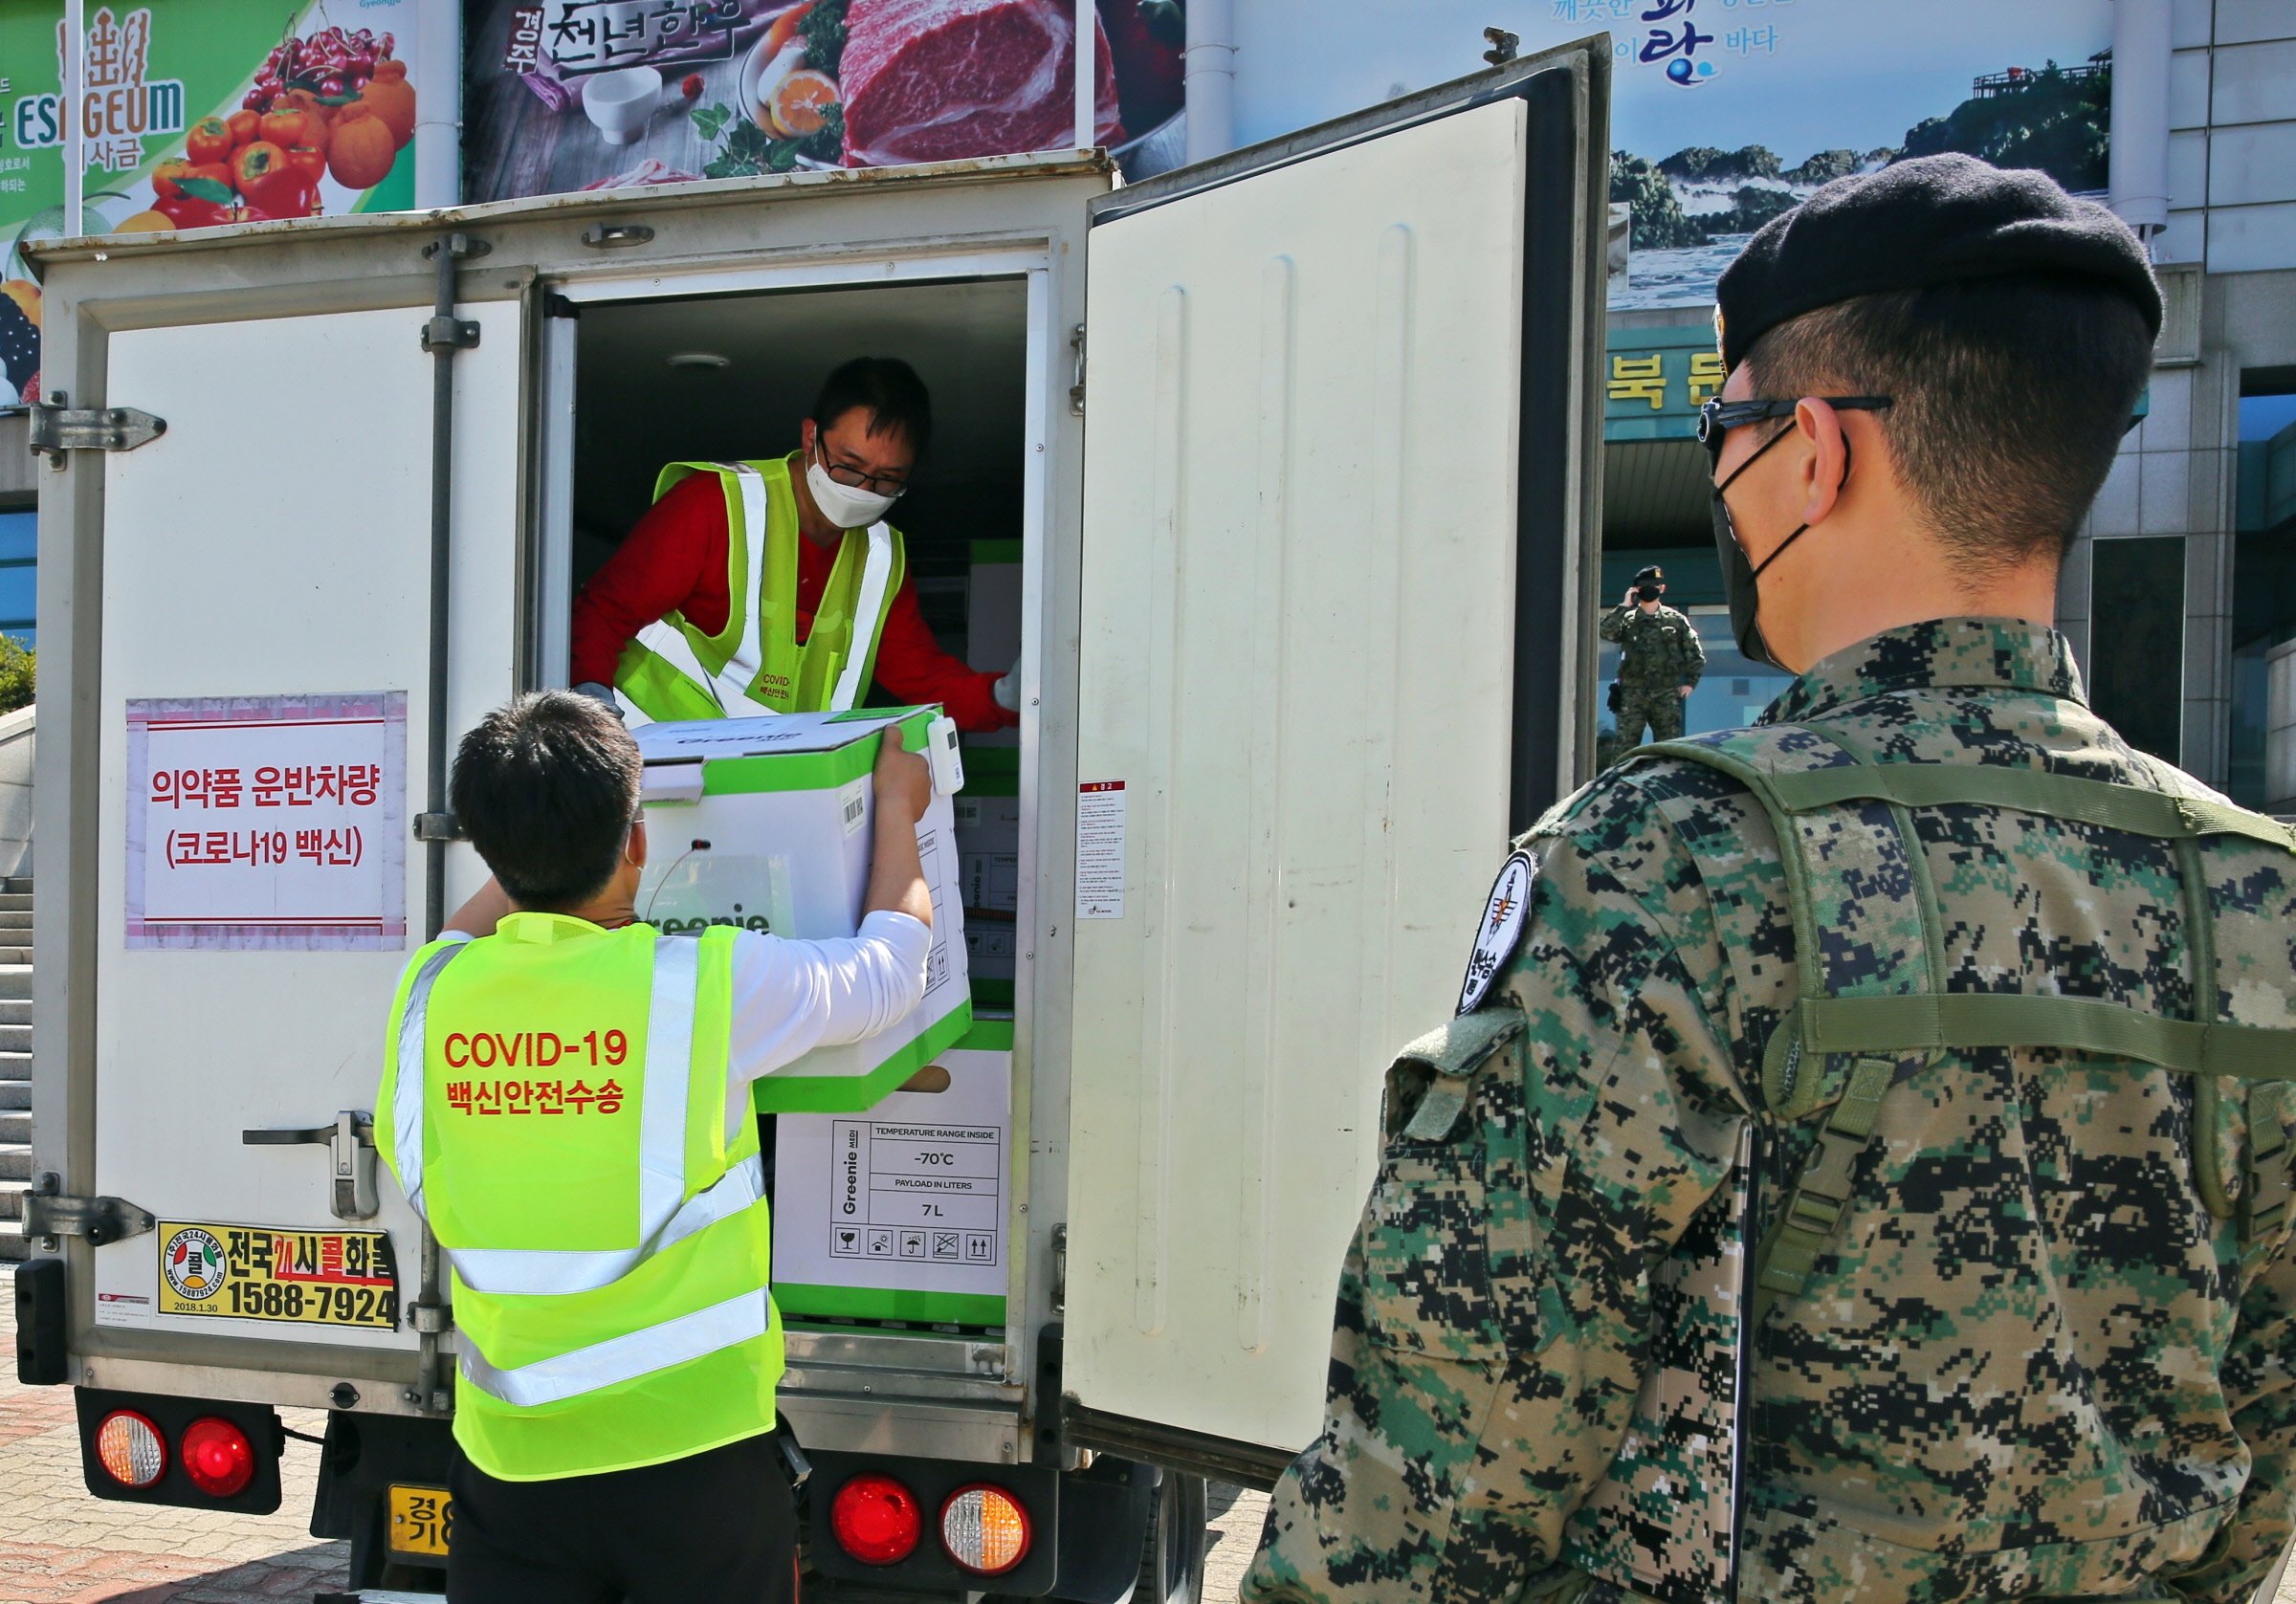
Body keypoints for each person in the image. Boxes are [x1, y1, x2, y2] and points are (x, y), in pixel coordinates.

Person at [1244, 154, 2296, 1604]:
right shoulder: (2259, 901)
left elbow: (1455, 1452)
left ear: (1815, 449)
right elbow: (2257, 1446)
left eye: (1724, 428)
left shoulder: (1677, 863)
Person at [374, 691, 935, 1603]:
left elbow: (468, 928)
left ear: (485, 848)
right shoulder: (704, 983)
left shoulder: (433, 994)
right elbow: (888, 972)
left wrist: (530, 824)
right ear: (638, 842)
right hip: (694, 1456)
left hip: (511, 1464)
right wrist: (900, 808)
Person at [570, 356, 1020, 732]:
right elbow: (604, 610)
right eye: (848, 465)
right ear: (810, 437)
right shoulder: (718, 505)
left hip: (770, 781)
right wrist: (590, 708)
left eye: (888, 480)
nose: (862, 488)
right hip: (654, 761)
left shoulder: (880, 558)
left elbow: (921, 676)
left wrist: (1006, 697)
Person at [1597, 562, 1703, 744]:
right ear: (1637, 589)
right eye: (1645, 585)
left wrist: (1691, 683)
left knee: (1668, 747)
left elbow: (1694, 653)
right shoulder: (1628, 619)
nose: (1650, 589)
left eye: (1654, 585)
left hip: (1665, 693)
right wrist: (1624, 605)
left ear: (1662, 588)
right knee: (1625, 747)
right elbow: (1606, 632)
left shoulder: (1676, 620)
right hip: (1633, 694)